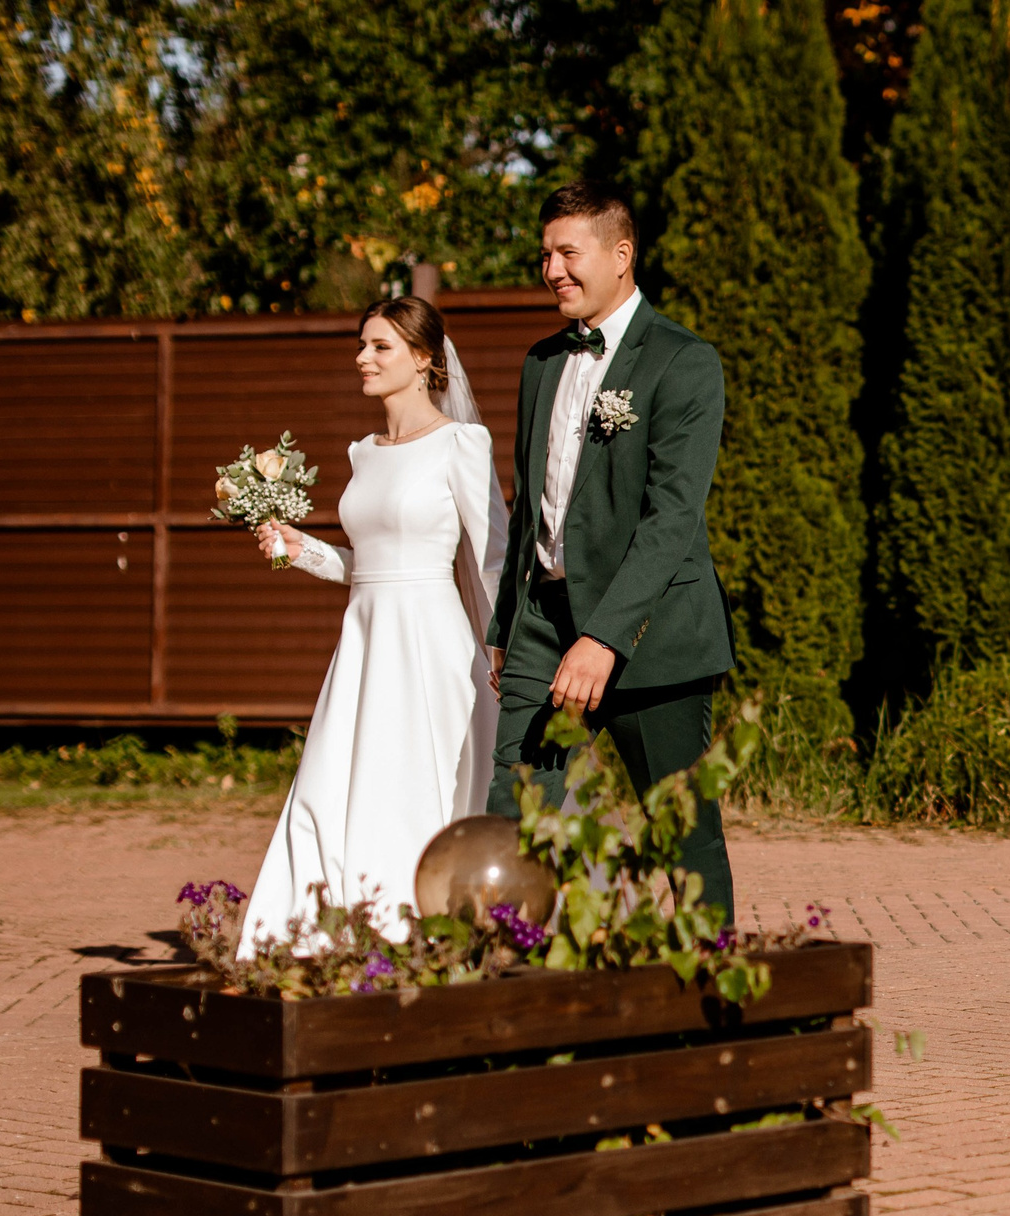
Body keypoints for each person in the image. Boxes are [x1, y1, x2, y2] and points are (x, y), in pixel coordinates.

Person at [487, 180, 738, 922]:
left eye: (569, 253)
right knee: (517, 814)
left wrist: (603, 637)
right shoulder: (540, 364)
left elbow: (671, 521)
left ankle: (714, 999)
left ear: (621, 254)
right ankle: (506, 992)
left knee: (681, 832)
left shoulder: (683, 361)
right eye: (545, 255)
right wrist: (508, 624)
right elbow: (529, 504)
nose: (553, 270)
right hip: (542, 622)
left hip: (650, 634)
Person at [239, 297, 510, 952]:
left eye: (380, 346)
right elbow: (371, 566)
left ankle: (426, 928)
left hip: (432, 646)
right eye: (362, 345)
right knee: (335, 780)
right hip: (363, 645)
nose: (363, 357)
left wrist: (504, 645)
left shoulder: (460, 444)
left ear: (423, 359)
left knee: (420, 781)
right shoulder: (364, 452)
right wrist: (302, 549)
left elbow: (493, 555)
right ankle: (318, 933)